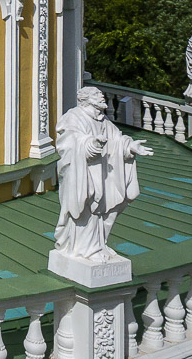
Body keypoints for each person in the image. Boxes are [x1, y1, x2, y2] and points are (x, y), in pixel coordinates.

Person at [54, 86, 150, 262]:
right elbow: (68, 142)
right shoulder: (73, 117)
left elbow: (117, 139)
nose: (102, 96)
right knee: (88, 206)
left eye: (100, 94)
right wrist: (91, 144)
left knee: (110, 207)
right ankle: (86, 249)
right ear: (86, 100)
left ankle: (99, 243)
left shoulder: (103, 120)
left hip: (103, 173)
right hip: (84, 173)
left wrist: (130, 146)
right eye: (97, 95)